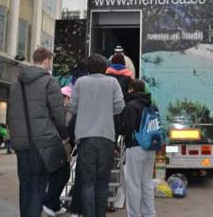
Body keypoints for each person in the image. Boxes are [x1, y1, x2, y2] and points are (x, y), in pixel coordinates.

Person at [8, 47, 69, 217]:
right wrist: (64, 134)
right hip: (42, 142)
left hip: (21, 143)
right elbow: (58, 114)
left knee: (25, 185)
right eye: (51, 60)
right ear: (47, 60)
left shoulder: (15, 84)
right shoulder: (50, 82)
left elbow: (11, 113)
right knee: (38, 185)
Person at [69, 54, 125, 217]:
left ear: (88, 68)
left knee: (87, 183)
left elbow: (72, 108)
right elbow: (120, 106)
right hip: (106, 137)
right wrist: (106, 112)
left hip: (86, 138)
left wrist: (86, 110)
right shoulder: (112, 82)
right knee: (102, 182)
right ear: (105, 68)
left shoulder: (80, 83)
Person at [122, 79, 157, 217]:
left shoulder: (131, 105)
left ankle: (134, 215)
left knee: (133, 185)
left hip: (135, 148)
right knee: (147, 183)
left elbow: (127, 128)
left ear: (132, 89)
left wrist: (121, 129)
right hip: (150, 148)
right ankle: (149, 213)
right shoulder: (153, 106)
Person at [43, 86, 73, 217]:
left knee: (59, 174)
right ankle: (49, 203)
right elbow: (67, 127)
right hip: (60, 146)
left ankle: (55, 205)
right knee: (62, 174)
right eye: (70, 98)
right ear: (66, 98)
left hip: (51, 145)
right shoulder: (65, 110)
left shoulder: (51, 107)